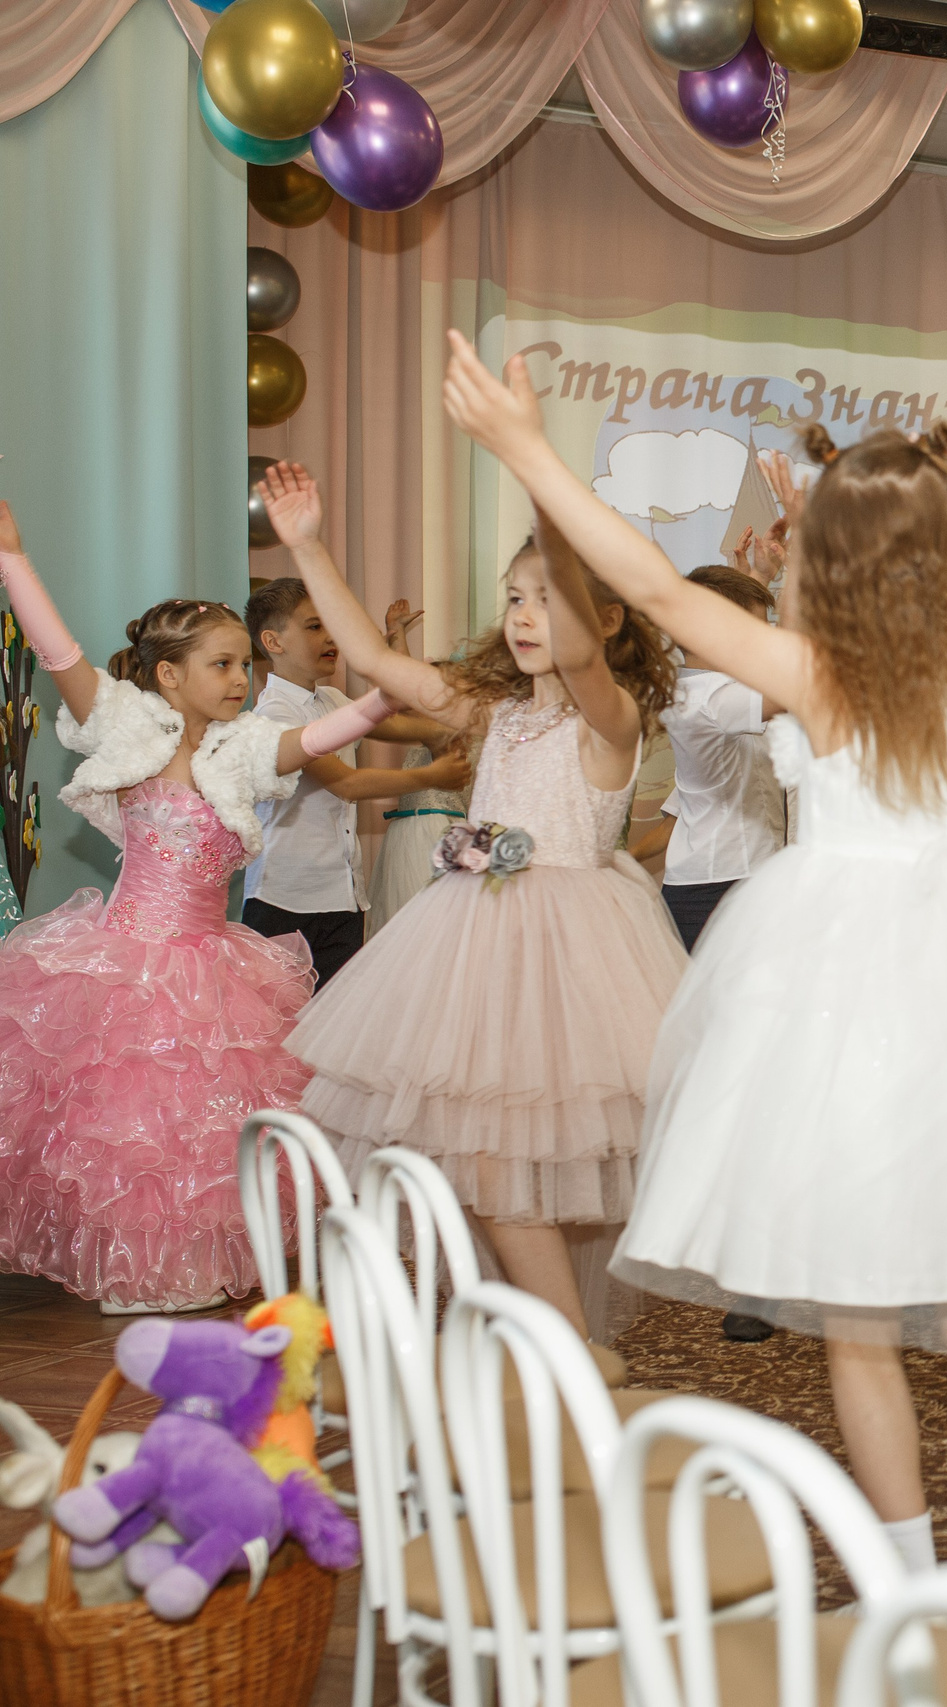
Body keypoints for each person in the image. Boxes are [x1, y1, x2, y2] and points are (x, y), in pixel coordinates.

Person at [439, 331, 947, 1591]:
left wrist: (526, 446)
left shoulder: (805, 674)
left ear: (824, 565)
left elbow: (652, 585)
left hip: (837, 1011)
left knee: (858, 1330)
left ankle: (905, 1577)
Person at [262, 460, 687, 1346]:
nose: (526, 615)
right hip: (471, 941)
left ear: (606, 621)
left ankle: (565, 1346)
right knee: (482, 1159)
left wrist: (554, 524)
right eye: (516, 597)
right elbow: (378, 663)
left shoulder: (608, 722)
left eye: (548, 598)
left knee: (504, 1164)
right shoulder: (492, 713)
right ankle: (549, 1344)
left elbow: (582, 664)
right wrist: (307, 546)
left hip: (572, 955)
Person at [0, 512, 401, 1310]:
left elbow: (318, 736)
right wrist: (12, 560)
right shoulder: (126, 728)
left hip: (212, 959)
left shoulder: (243, 747)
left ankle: (198, 1257)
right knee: (131, 1129)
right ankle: (136, 1266)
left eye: (246, 666)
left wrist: (388, 691)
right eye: (222, 664)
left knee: (211, 1128)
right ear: (167, 675)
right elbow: (60, 655)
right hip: (128, 959)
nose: (239, 681)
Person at [239, 578, 462, 987]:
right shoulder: (275, 716)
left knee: (329, 1031)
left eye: (331, 626)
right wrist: (431, 776)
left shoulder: (334, 702)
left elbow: (406, 717)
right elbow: (346, 784)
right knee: (276, 1030)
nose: (330, 638)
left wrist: (449, 725)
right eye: (313, 627)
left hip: (343, 895)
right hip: (284, 897)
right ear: (273, 641)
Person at [657, 565, 787, 954]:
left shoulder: (701, 689)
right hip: (722, 882)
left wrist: (759, 577)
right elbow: (798, 686)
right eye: (754, 631)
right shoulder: (711, 698)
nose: (765, 642)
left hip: (719, 877)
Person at [367, 599, 473, 935]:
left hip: (432, 835)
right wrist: (396, 633)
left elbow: (406, 693)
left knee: (426, 929)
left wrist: (397, 636)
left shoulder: (453, 733)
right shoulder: (436, 728)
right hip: (411, 831)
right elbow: (407, 691)